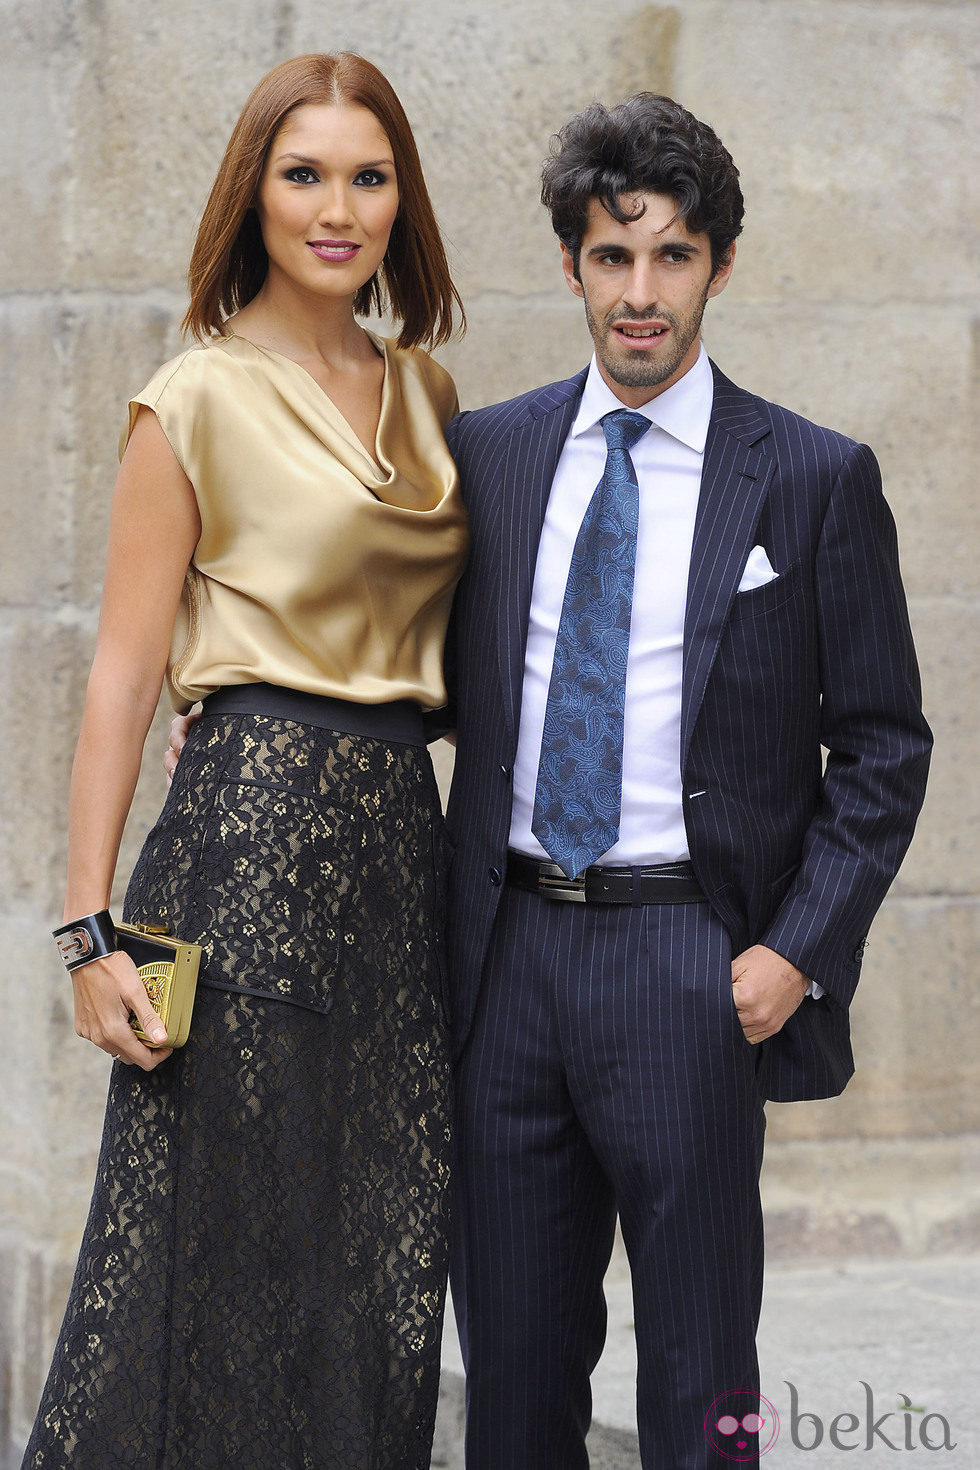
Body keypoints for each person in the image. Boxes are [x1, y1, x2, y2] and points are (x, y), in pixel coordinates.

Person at [442, 95, 931, 1468]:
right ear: (571, 265)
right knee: (517, 1386)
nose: (640, 293)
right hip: (508, 958)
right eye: (613, 256)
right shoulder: (490, 455)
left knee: (704, 1378)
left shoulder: (815, 479)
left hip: (691, 961)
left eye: (671, 257)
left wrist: (796, 948)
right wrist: (239, 713)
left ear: (719, 263)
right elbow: (405, 669)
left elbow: (886, 743)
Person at [26, 53, 466, 1470]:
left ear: (402, 197)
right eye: (304, 174)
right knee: (218, 1255)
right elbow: (120, 672)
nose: (337, 208)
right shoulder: (193, 397)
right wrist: (90, 929)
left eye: (368, 175)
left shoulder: (432, 394)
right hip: (239, 845)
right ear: (252, 195)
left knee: (380, 1264)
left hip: (402, 857)